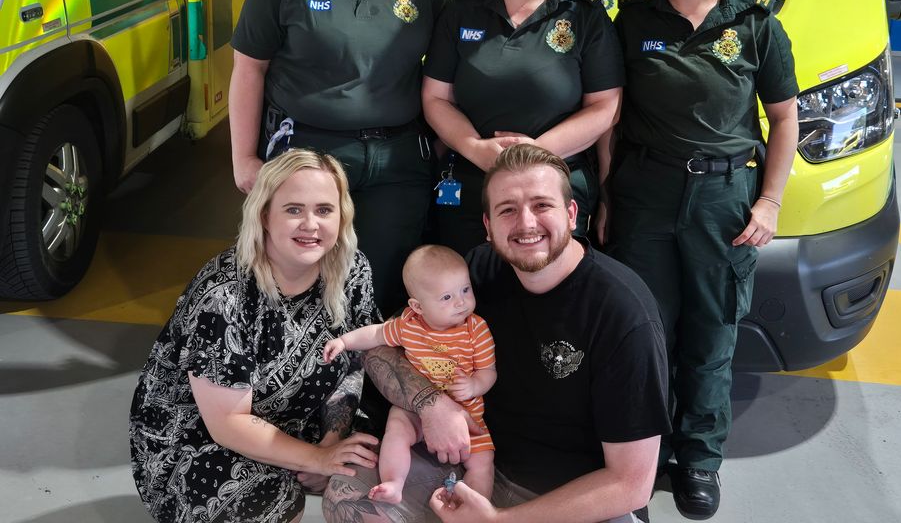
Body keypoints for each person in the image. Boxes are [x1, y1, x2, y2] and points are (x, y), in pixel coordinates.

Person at [322, 144, 671, 523]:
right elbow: (381, 348)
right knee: (348, 493)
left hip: (572, 497)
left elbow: (631, 483)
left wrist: (497, 521)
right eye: (507, 209)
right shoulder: (476, 272)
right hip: (473, 465)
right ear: (488, 226)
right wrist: (431, 404)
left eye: (542, 205)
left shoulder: (623, 312)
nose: (526, 223)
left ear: (572, 214)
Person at [599, 0, 800, 520]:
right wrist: (607, 195)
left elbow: (784, 120)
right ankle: (643, 456)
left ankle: (700, 461)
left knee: (711, 336)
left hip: (723, 198)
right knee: (645, 333)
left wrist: (768, 202)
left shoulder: (756, 22)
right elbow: (610, 116)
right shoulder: (632, 17)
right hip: (646, 194)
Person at [229, 0, 453, 315]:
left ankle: (371, 389)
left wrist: (438, 143)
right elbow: (249, 69)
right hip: (310, 156)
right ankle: (303, 386)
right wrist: (243, 159)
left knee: (388, 287)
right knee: (302, 288)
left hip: (397, 163)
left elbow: (446, 71)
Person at [129, 149, 381, 523]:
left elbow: (352, 364)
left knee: (381, 475)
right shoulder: (224, 293)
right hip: (202, 439)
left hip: (300, 419)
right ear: (264, 215)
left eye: (324, 210)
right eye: (293, 209)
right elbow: (228, 423)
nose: (310, 224)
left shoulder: (351, 270)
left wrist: (331, 442)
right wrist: (316, 458)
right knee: (265, 506)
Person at [421, 0, 623, 255]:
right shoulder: (463, 8)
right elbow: (435, 98)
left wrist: (533, 155)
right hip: (471, 189)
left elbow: (606, 108)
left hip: (555, 194)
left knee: (549, 305)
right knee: (467, 301)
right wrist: (476, 148)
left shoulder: (586, 16)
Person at [322, 244, 496, 503]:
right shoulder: (409, 325)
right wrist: (345, 342)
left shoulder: (475, 329)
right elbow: (376, 333)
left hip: (465, 414)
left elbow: (488, 371)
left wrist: (473, 385)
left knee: (483, 461)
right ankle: (394, 482)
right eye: (447, 297)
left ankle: (472, 504)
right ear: (418, 306)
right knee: (396, 428)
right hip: (413, 411)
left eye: (465, 289)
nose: (461, 302)